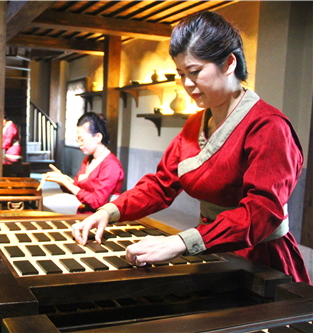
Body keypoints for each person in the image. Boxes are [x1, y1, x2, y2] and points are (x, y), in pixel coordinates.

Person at [72, 11, 310, 284]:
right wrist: (108, 211)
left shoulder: (269, 126)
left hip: (260, 256)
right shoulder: (196, 122)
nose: (187, 84)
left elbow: (261, 211)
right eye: (181, 74)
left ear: (229, 63)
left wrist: (182, 242)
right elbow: (161, 184)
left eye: (195, 72)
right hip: (210, 245)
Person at [45, 112, 124, 214]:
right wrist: (62, 180)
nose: (80, 145)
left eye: (82, 140)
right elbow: (76, 188)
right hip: (85, 215)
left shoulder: (111, 165)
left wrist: (67, 184)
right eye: (78, 140)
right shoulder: (88, 160)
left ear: (98, 137)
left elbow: (98, 202)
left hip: (102, 220)